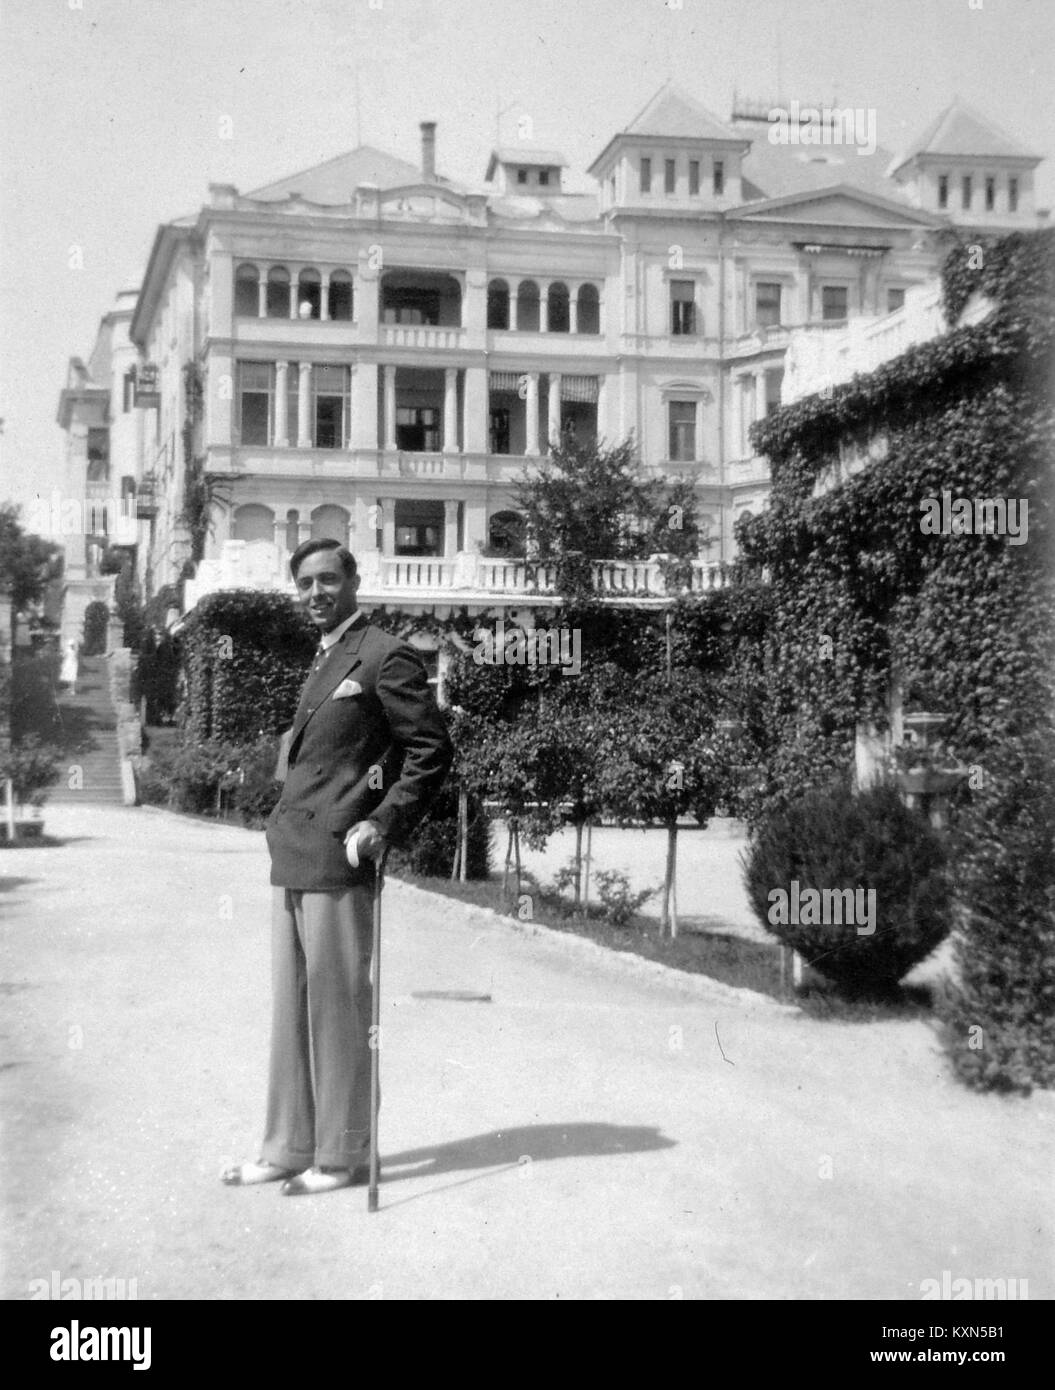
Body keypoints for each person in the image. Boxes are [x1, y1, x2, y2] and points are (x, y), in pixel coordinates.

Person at [222, 538, 452, 1196]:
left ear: (354, 581)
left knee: (337, 1010)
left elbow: (429, 751)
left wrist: (381, 823)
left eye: (327, 579)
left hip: (339, 855)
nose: (315, 592)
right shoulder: (322, 658)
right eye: (304, 584)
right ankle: (286, 1145)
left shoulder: (383, 654)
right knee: (289, 1012)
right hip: (292, 853)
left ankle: (342, 1151)